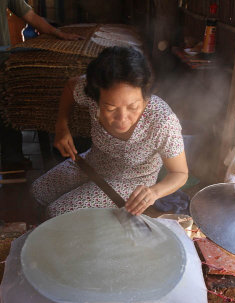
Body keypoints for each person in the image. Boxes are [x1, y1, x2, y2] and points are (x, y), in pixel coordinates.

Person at [32, 46, 188, 217]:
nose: (122, 118)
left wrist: (154, 192)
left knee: (56, 212)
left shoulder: (162, 120)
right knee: (37, 192)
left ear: (146, 95)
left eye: (133, 107)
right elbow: (70, 86)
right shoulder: (93, 88)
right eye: (110, 107)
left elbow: (180, 173)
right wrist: (62, 127)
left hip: (131, 181)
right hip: (93, 162)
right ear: (95, 97)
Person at [0, 0, 84, 170]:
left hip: (1, 57)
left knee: (5, 107)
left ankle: (12, 158)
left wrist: (57, 33)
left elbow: (29, 15)